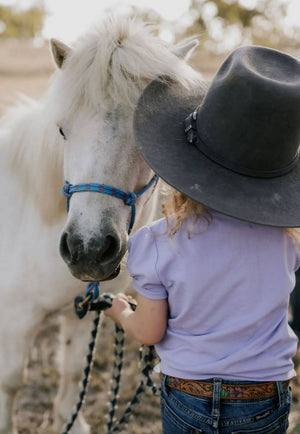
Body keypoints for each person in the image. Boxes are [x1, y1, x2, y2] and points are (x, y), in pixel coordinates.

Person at [104, 45, 300, 433]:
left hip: (187, 396)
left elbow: (149, 331)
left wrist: (119, 310)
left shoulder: (157, 243)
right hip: (264, 398)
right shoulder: (287, 243)